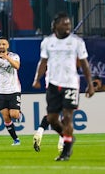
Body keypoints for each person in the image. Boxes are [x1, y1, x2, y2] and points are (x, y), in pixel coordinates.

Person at [32, 12, 95, 161]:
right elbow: (43, 62)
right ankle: (68, 138)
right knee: (53, 119)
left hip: (71, 84)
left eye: (69, 23)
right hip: (53, 84)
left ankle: (65, 152)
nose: (68, 26)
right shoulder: (47, 42)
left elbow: (84, 64)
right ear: (55, 26)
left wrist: (90, 84)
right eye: (64, 24)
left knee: (67, 117)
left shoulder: (77, 42)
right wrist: (37, 79)